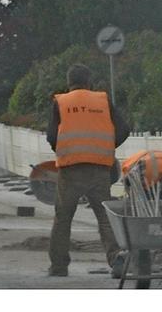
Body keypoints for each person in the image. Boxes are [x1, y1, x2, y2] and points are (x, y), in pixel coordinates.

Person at [46, 63, 130, 277]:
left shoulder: (61, 102)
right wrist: (105, 149)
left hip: (70, 169)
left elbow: (51, 137)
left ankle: (59, 266)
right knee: (104, 216)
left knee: (63, 217)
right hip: (99, 169)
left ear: (68, 83)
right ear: (89, 81)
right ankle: (116, 258)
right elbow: (123, 129)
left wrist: (66, 150)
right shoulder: (102, 100)